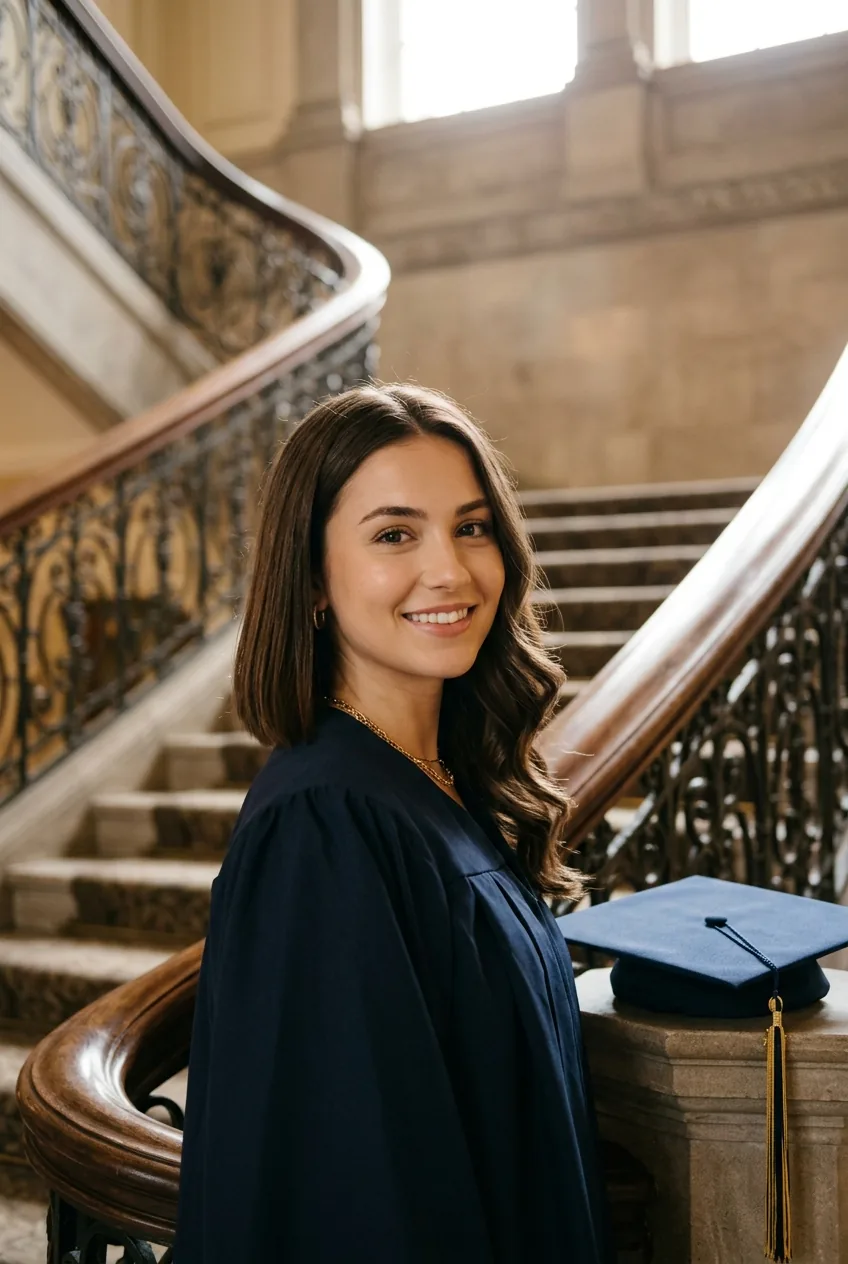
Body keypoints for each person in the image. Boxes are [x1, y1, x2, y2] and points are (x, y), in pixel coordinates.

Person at [173, 383, 613, 1262]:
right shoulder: (323, 827)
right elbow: (357, 1192)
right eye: (393, 535)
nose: (449, 569)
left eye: (473, 526)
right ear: (312, 582)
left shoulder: (449, 784)